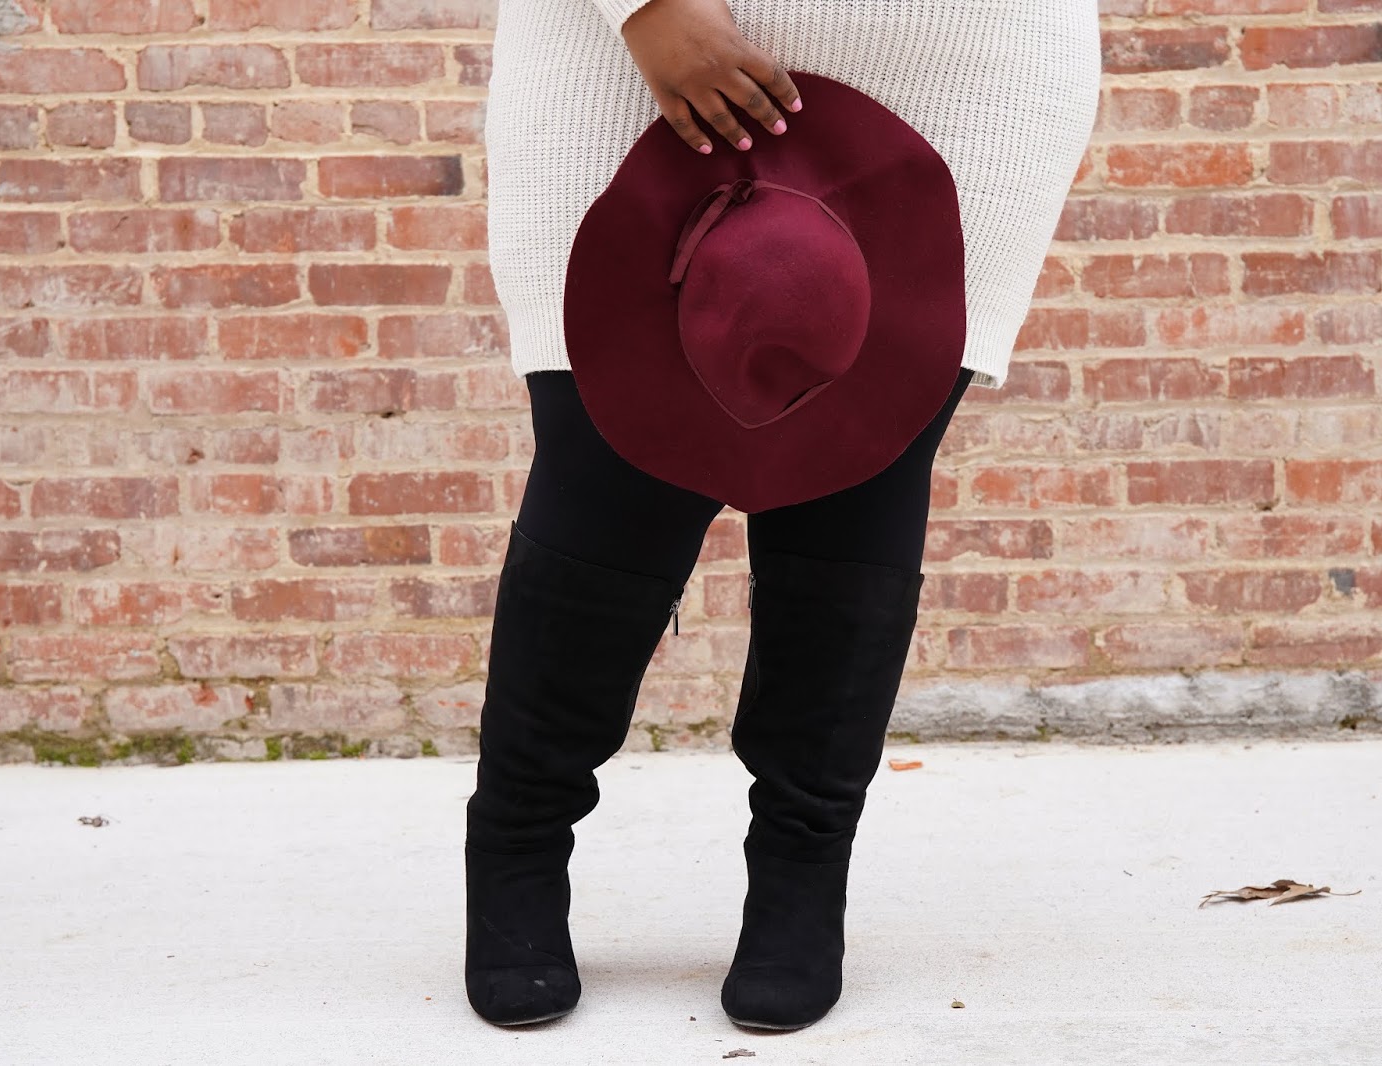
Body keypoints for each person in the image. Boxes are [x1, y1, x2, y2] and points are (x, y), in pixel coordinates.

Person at [462, 0, 1102, 1032]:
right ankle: (517, 846)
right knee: (605, 480)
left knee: (859, 477)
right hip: (628, 57)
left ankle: (803, 869)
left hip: (963, 76)